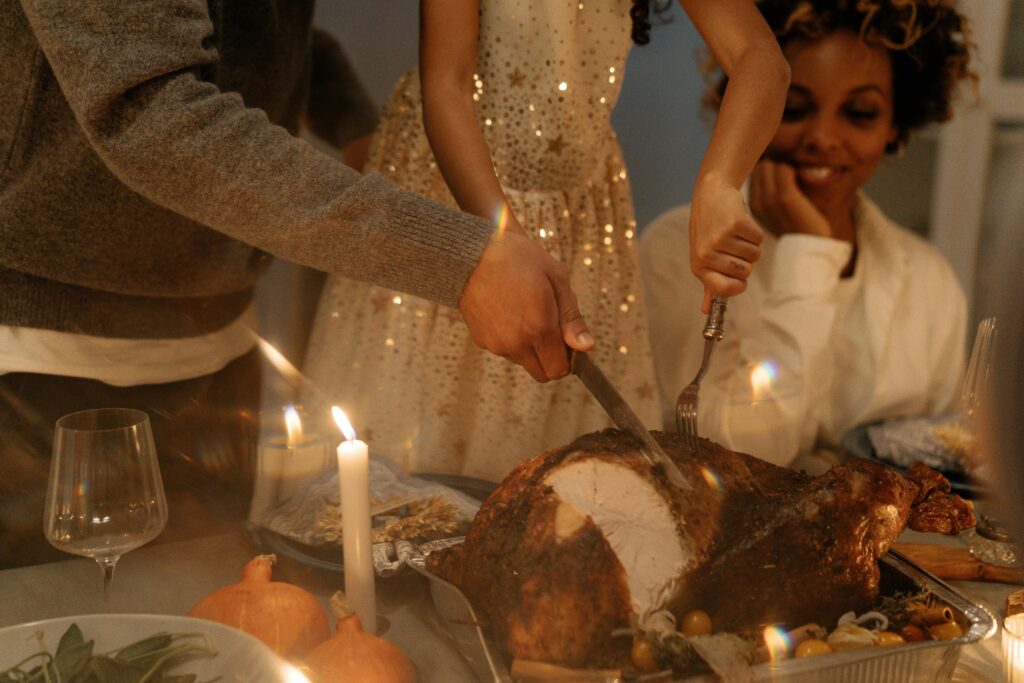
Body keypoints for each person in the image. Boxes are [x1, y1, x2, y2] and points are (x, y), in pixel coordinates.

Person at [0, 0, 594, 567]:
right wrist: (457, 259)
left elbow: (246, 30)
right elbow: (150, 108)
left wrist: (354, 120)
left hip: (221, 347)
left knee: (215, 644)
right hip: (46, 369)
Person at [300, 0, 789, 483]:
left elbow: (759, 57)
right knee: (419, 462)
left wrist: (720, 182)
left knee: (569, 475)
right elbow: (446, 85)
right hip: (463, 201)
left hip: (583, 216)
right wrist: (500, 248)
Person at [640, 0, 974, 468]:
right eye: (794, 109)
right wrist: (810, 255)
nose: (822, 137)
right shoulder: (674, 250)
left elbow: (938, 462)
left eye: (859, 113)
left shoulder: (930, 281)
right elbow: (731, 456)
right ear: (749, 107)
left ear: (896, 126)